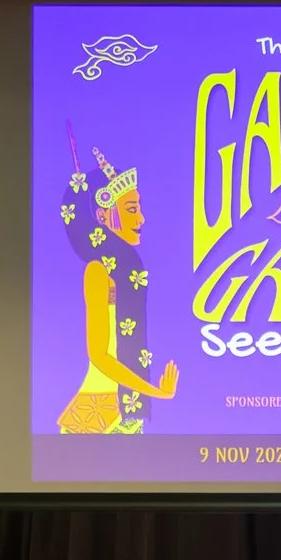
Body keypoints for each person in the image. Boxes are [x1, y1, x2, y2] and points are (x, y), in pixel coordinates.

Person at [55, 132, 178, 434]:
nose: (142, 219)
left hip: (121, 412)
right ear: (103, 216)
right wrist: (155, 392)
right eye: (132, 210)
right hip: (98, 412)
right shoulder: (98, 272)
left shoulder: (126, 272)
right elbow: (99, 356)